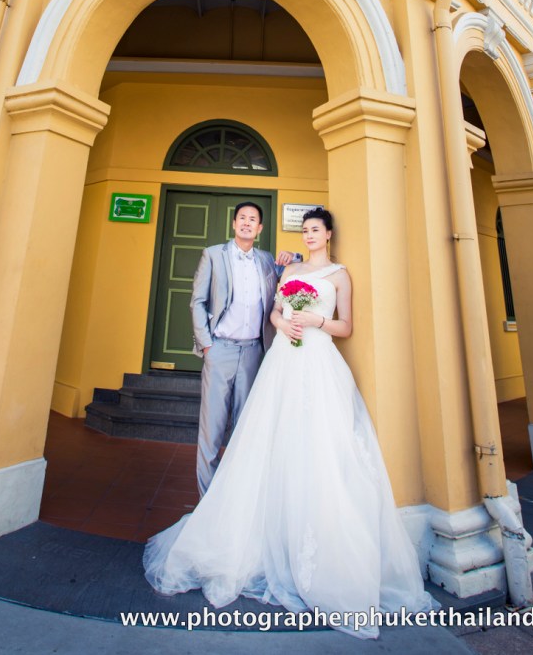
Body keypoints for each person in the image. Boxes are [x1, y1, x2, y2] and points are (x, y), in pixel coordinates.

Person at [145, 207, 435, 638]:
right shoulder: (285, 267)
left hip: (317, 363)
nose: (310, 236)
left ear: (329, 234)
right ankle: (222, 515)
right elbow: (274, 312)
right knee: (250, 440)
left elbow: (346, 325)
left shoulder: (339, 274)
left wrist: (315, 321)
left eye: (316, 230)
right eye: (306, 230)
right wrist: (284, 324)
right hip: (277, 359)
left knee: (318, 446)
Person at [190, 200, 297, 498]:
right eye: (242, 218)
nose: (247, 223)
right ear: (234, 224)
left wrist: (294, 255)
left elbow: (295, 271)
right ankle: (206, 502)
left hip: (253, 352)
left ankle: (235, 500)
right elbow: (197, 301)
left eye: (253, 219)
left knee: (245, 427)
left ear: (260, 228)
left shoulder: (266, 260)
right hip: (220, 349)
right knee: (212, 428)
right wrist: (207, 344)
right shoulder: (213, 255)